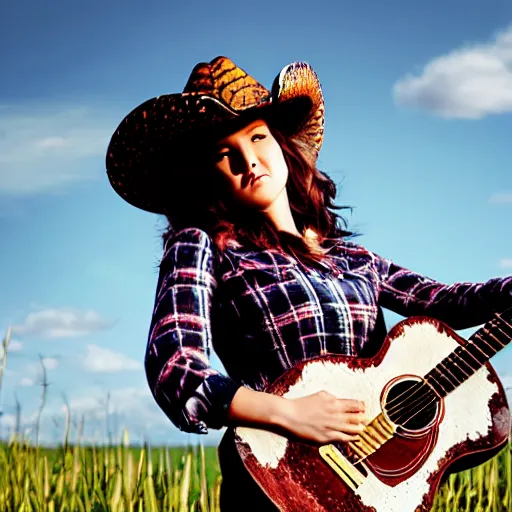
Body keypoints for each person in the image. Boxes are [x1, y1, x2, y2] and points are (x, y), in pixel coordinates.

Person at [106, 56, 512, 511]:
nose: (249, 160)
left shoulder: (353, 259)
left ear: (281, 146)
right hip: (276, 479)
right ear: (205, 175)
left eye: (258, 137)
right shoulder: (203, 245)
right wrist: (288, 413)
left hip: (378, 489)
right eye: (226, 153)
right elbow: (175, 365)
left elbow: (449, 302)